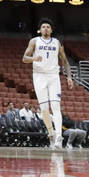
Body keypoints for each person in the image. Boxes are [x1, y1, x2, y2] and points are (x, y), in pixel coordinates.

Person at [22, 18, 75, 150]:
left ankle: (58, 136)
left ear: (51, 30)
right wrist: (34, 58)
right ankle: (51, 132)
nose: (46, 28)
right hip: (39, 75)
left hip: (53, 76)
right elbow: (24, 58)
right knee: (44, 109)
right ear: (40, 30)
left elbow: (65, 62)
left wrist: (69, 77)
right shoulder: (34, 41)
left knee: (56, 106)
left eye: (48, 27)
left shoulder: (57, 43)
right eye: (43, 27)